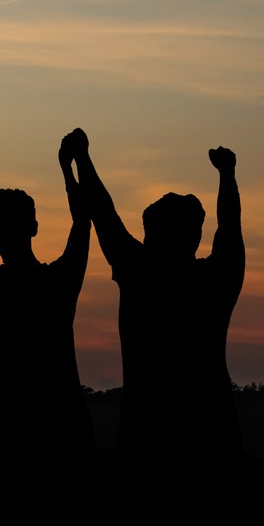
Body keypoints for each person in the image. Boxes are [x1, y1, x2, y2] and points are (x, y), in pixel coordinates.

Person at [71, 129, 243, 454]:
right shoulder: (217, 279)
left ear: (151, 236)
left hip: (145, 435)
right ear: (194, 236)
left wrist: (82, 157)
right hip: (214, 432)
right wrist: (227, 175)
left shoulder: (139, 271)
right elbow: (230, 226)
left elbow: (103, 212)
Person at [0, 130, 92, 452]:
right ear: (34, 226)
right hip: (65, 428)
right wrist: (69, 167)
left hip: (2, 428)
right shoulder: (61, 280)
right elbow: (83, 221)